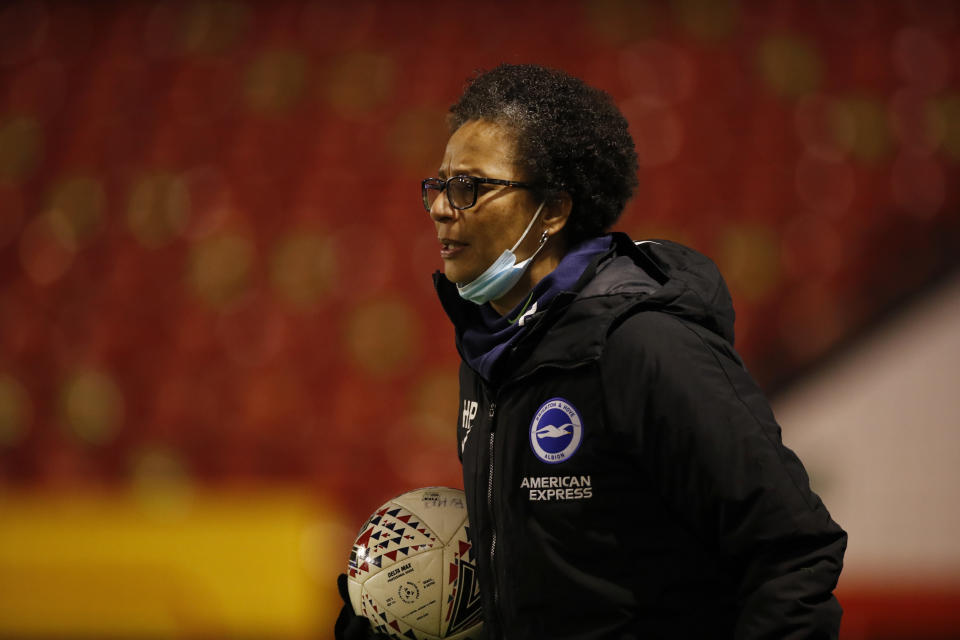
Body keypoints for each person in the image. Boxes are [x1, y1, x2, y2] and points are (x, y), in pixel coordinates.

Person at [336, 63, 846, 640]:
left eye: (471, 187)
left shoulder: (645, 346)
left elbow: (794, 552)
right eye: (439, 185)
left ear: (552, 210)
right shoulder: (487, 358)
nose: (440, 207)